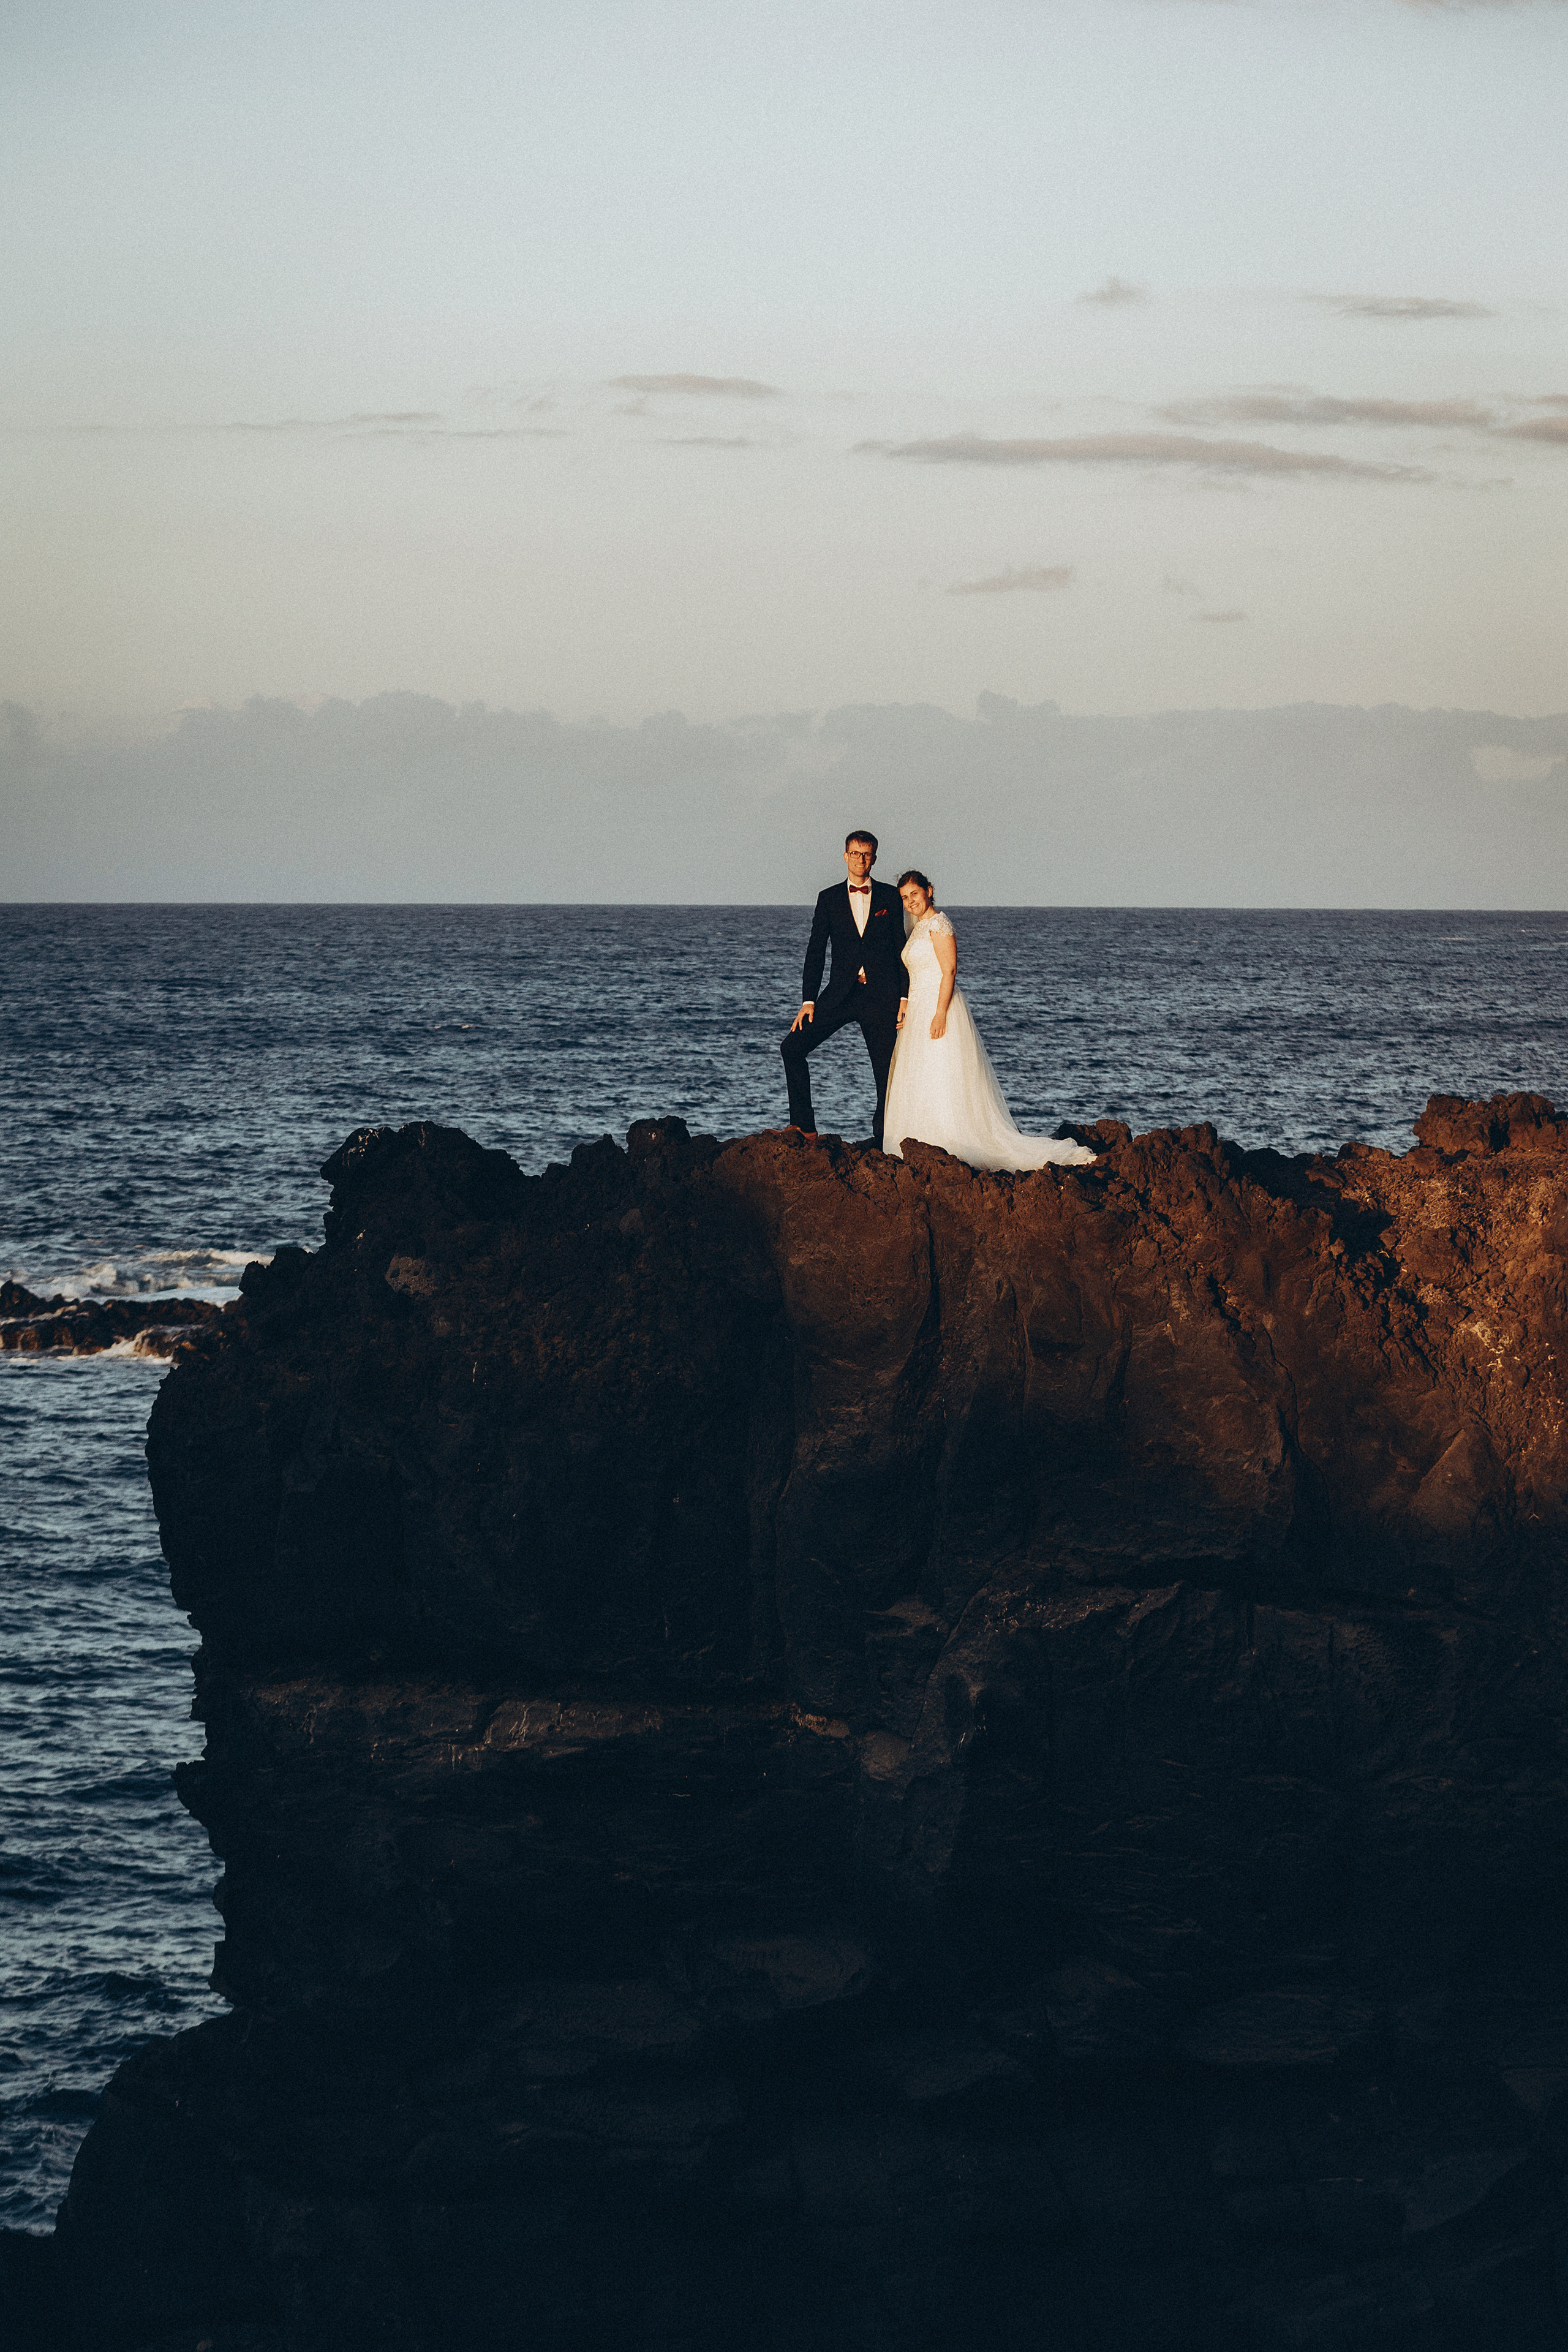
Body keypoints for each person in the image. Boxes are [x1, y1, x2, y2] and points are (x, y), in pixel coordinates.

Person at [882, 870, 1096, 1171]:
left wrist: (940, 1013)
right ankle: (920, 1138)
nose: (909, 902)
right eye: (904, 898)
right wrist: (907, 1004)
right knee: (920, 1075)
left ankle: (951, 1141)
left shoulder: (940, 924)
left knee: (941, 1074)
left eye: (914, 895)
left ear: (929, 891)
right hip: (918, 1008)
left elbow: (950, 971)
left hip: (937, 1007)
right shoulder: (918, 927)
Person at [780, 831, 908, 1147]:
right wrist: (808, 1000)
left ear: (874, 858)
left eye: (866, 855)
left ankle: (885, 1138)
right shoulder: (828, 898)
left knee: (886, 1072)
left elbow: (900, 949)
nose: (860, 860)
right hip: (840, 993)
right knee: (792, 1048)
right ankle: (803, 1126)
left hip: (882, 996)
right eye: (855, 853)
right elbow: (815, 950)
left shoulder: (891, 897)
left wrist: (905, 997)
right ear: (845, 856)